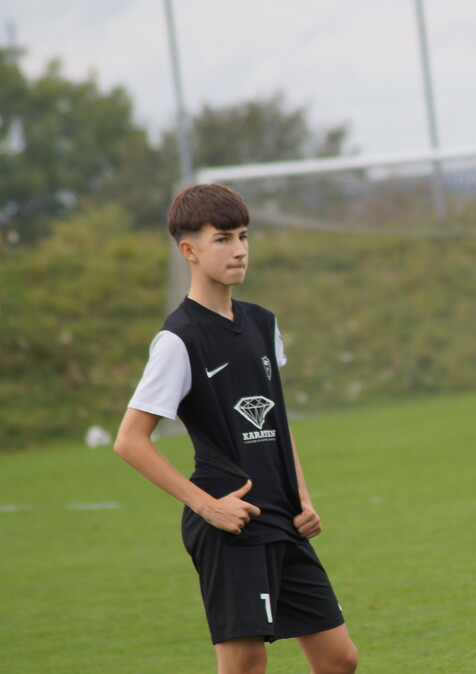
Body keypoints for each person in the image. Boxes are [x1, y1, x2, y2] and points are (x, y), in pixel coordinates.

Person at [114, 184, 358, 674]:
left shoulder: (263, 324)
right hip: (230, 521)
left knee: (339, 659)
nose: (240, 249)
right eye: (223, 239)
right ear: (189, 251)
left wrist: (302, 498)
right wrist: (208, 506)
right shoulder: (179, 339)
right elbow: (129, 441)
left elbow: (276, 422)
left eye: (243, 236)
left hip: (282, 516)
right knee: (246, 663)